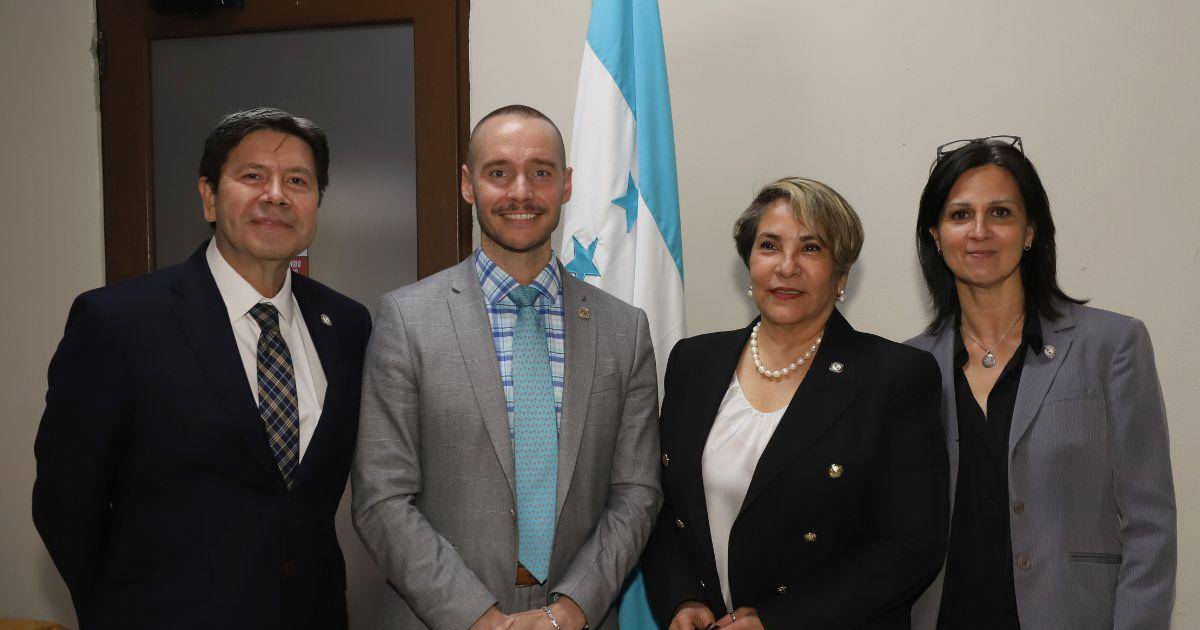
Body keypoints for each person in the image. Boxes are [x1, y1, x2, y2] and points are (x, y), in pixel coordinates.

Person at [32, 107, 372, 628]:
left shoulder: (346, 325)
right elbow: (66, 501)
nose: (276, 195)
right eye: (252, 176)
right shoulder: (119, 321)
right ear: (209, 196)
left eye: (297, 181)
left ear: (316, 204)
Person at [352, 104, 661, 630]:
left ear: (566, 185)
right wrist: (477, 617)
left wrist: (570, 610)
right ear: (468, 185)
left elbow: (637, 492)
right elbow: (382, 496)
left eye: (540, 172)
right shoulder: (407, 320)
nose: (521, 192)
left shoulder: (624, 330)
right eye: (499, 172)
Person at [642, 177, 948, 629]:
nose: (787, 267)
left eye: (811, 248)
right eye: (769, 246)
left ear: (841, 274)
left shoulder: (895, 376)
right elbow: (663, 505)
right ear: (748, 262)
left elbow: (910, 546)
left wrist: (777, 621)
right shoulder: (693, 362)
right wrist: (682, 599)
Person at [907, 136, 1176, 630]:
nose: (980, 231)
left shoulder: (1112, 345)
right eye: (960, 215)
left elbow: (1150, 526)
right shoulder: (909, 367)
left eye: (1001, 213)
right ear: (936, 235)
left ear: (1030, 230)